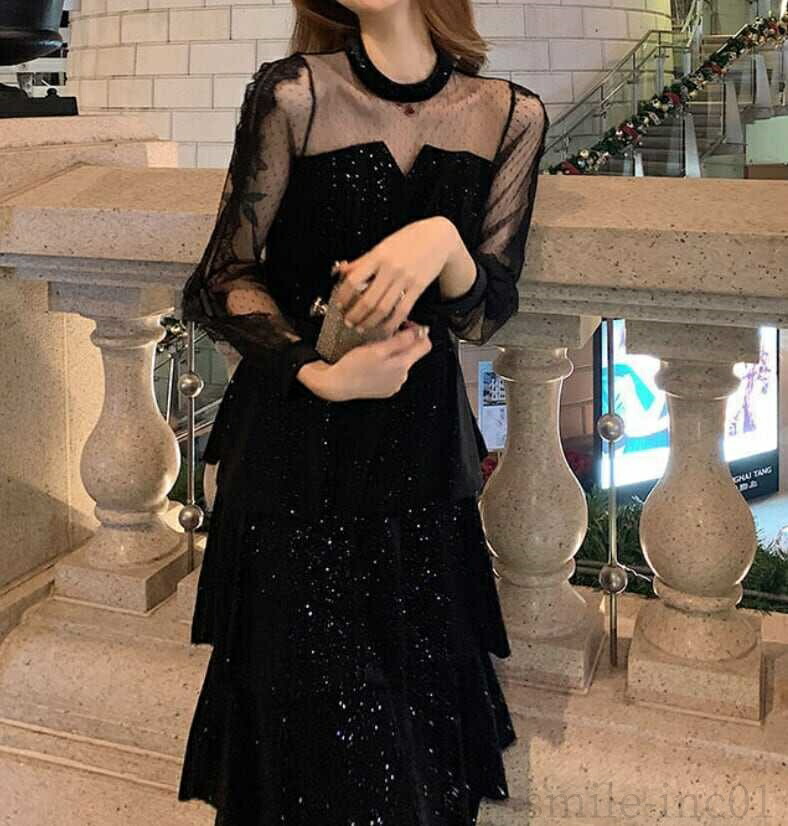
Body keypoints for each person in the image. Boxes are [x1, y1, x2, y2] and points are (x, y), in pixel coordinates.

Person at [176, 1, 549, 823]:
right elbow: (223, 278)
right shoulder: (294, 93)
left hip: (422, 468)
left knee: (418, 750)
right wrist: (318, 373)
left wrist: (442, 241)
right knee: (307, 746)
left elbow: (486, 308)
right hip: (295, 455)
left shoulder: (510, 115)